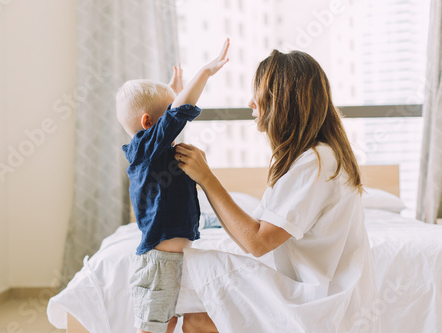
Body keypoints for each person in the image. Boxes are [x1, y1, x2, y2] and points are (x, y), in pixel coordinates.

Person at [174, 49, 380, 332]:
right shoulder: (316, 157)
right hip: (318, 296)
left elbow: (257, 242)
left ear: (281, 101)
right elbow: (249, 235)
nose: (250, 102)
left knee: (185, 272)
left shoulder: (316, 162)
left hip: (319, 305)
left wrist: (207, 179)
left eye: (257, 95)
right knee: (195, 313)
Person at [116, 39, 230, 333]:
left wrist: (171, 92)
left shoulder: (155, 152)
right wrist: (203, 73)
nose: (174, 126)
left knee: (171, 322)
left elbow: (165, 118)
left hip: (174, 259)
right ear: (148, 123)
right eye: (167, 114)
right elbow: (174, 117)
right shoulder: (145, 149)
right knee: (154, 327)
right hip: (159, 263)